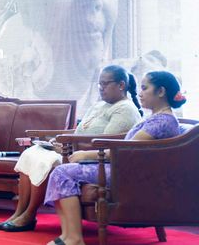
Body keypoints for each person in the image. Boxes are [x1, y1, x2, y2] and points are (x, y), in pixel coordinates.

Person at [44, 71, 184, 245]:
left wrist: (85, 154)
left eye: (144, 88)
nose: (139, 93)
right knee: (61, 171)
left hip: (132, 175)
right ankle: (67, 236)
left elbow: (126, 150)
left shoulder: (162, 121)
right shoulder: (156, 118)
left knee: (63, 173)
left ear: (161, 91)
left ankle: (74, 238)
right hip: (125, 168)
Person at [0, 65, 142, 232]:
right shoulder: (100, 105)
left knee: (47, 160)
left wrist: (68, 149)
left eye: (105, 84)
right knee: (32, 153)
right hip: (74, 151)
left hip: (91, 159)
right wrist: (59, 144)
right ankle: (19, 212)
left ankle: (30, 214)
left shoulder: (125, 109)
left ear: (121, 85)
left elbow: (106, 143)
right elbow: (80, 132)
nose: (101, 89)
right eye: (99, 84)